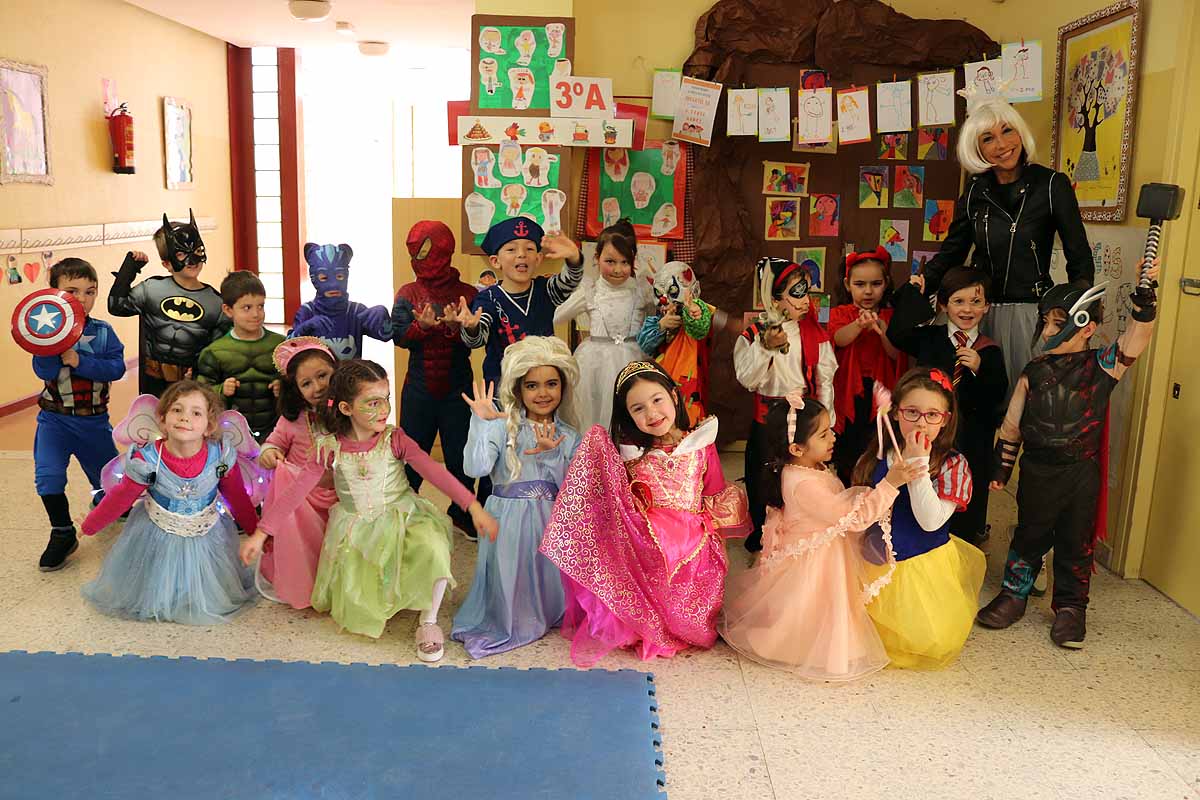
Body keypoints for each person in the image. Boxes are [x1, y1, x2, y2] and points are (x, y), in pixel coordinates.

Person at [256, 359, 498, 661]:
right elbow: (296, 492)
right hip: (356, 524)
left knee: (433, 548)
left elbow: (436, 474)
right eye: (372, 402)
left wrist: (472, 505)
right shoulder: (328, 446)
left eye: (386, 399)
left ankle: (429, 621)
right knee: (367, 580)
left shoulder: (394, 438)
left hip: (403, 513)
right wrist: (263, 531)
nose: (383, 409)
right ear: (346, 408)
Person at [977, 262, 1160, 648]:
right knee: (1029, 535)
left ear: (1086, 326)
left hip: (1080, 473)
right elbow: (1011, 426)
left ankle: (1071, 607)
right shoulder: (1033, 371)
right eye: (1046, 321)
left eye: (1056, 322)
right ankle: (1014, 594)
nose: (1046, 330)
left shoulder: (1102, 367)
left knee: (1076, 542)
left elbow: (1136, 340)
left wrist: (1146, 301)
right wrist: (1002, 466)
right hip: (1039, 470)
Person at [540, 361, 750, 667]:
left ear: (674, 398)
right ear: (628, 416)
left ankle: (679, 623)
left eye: (657, 400)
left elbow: (713, 493)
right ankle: (647, 622)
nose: (651, 414)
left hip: (693, 542)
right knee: (648, 555)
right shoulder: (629, 454)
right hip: (646, 544)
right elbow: (612, 500)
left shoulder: (701, 444)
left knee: (694, 577)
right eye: (638, 409)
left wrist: (716, 540)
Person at [720, 393, 920, 680]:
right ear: (797, 448)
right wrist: (890, 485)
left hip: (822, 546)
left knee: (820, 607)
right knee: (813, 605)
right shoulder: (803, 485)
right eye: (824, 434)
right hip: (815, 560)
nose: (833, 437)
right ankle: (800, 647)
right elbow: (854, 517)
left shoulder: (808, 467)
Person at [919, 95, 1093, 400]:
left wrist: (1079, 312)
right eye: (988, 138)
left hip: (1031, 315)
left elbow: (1078, 255)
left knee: (1026, 402)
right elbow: (953, 252)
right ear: (977, 147)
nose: (1001, 144)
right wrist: (919, 285)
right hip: (977, 312)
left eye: (1007, 131)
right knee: (972, 402)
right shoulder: (975, 190)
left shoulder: (1052, 185)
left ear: (1020, 133)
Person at [79, 381, 259, 624]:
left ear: (209, 426)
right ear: (162, 420)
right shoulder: (147, 459)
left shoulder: (220, 457)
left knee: (206, 582)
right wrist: (89, 526)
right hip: (156, 533)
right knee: (158, 577)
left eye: (196, 413)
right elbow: (122, 497)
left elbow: (237, 497)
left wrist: (258, 535)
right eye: (177, 410)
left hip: (206, 534)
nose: (185, 418)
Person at [452, 337, 582, 657]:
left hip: (549, 520)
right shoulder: (502, 427)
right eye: (532, 385)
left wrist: (554, 456)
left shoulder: (570, 435)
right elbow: (475, 466)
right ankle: (514, 615)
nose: (543, 393)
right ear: (518, 390)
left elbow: (575, 490)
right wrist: (481, 423)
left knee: (547, 572)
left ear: (563, 387)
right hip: (506, 518)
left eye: (551, 384)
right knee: (512, 569)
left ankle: (549, 609)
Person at [853, 368, 986, 669]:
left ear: (946, 419)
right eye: (912, 412)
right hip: (873, 563)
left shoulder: (953, 465)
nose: (921, 423)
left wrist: (918, 465)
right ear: (896, 413)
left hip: (920, 567)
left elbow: (930, 521)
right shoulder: (879, 454)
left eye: (932, 415)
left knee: (921, 639)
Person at [888, 269, 1008, 546]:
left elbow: (996, 398)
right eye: (958, 301)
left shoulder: (989, 351)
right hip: (930, 437)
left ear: (987, 306)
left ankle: (967, 546)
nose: (967, 309)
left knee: (967, 502)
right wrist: (912, 294)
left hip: (971, 441)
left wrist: (979, 369)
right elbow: (898, 333)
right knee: (925, 495)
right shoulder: (930, 338)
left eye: (976, 302)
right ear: (943, 304)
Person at [31, 258, 127, 571]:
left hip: (93, 421)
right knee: (48, 476)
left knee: (109, 482)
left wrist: (78, 360)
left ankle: (105, 501)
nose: (82, 299)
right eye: (72, 291)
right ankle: (62, 532)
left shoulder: (103, 332)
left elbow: (116, 368)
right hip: (54, 420)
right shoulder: (45, 333)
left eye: (90, 292)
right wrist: (55, 346)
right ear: (54, 294)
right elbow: (42, 370)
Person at [735, 256, 836, 551]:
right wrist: (766, 348)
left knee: (800, 476)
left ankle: (798, 529)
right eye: (797, 293)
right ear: (775, 298)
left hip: (804, 416)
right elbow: (748, 379)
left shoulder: (815, 335)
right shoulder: (753, 335)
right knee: (762, 476)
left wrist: (827, 421)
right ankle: (763, 532)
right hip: (767, 418)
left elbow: (825, 379)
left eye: (806, 291)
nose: (806, 300)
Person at [391, 220, 481, 539]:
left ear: (443, 248)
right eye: (415, 252)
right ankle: (401, 511)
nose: (421, 258)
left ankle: (461, 512)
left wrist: (462, 328)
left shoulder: (468, 294)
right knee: (411, 452)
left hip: (458, 388)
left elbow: (479, 337)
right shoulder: (407, 293)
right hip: (418, 387)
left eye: (426, 250)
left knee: (460, 455)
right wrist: (423, 328)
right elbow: (399, 335)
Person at [238, 337, 338, 609]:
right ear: (296, 390)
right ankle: (303, 581)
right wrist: (269, 454)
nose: (317, 387)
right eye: (306, 383)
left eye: (323, 376)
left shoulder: (348, 411)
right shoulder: (293, 419)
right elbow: (272, 443)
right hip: (300, 499)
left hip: (340, 493)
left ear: (336, 372)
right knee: (300, 534)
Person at [107, 212, 230, 395]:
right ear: (167, 263)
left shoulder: (215, 302)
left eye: (197, 251)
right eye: (181, 253)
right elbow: (116, 306)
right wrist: (128, 270)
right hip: (153, 381)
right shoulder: (151, 290)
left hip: (192, 384)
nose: (192, 259)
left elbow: (219, 351)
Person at [455, 217, 583, 388]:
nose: (522, 254)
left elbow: (570, 281)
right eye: (511, 249)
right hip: (502, 391)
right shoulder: (488, 299)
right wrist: (471, 327)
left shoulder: (546, 290)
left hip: (543, 388)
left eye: (529, 249)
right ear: (495, 261)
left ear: (538, 259)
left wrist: (574, 257)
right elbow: (476, 339)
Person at [553, 219, 654, 430]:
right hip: (594, 363)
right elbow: (557, 317)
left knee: (630, 414)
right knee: (593, 414)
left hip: (633, 359)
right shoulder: (591, 290)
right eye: (610, 261)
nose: (618, 269)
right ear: (597, 258)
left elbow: (654, 322)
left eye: (625, 262)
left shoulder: (641, 289)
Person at [828, 247, 904, 483]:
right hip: (849, 392)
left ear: (886, 283)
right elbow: (838, 339)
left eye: (876, 283)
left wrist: (882, 329)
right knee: (849, 446)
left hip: (882, 393)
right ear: (847, 284)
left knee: (878, 443)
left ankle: (876, 489)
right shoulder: (841, 312)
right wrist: (859, 325)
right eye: (860, 284)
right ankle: (847, 488)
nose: (868, 291)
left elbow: (895, 354)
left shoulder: (892, 316)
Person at [196, 271, 285, 442]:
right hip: (230, 434)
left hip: (275, 431)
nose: (256, 314)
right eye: (247, 308)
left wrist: (284, 388)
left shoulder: (281, 346)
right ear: (228, 310)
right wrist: (221, 389)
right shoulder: (214, 352)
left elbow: (299, 386)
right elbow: (200, 393)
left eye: (261, 306)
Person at [636, 260, 727, 425]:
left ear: (695, 290)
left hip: (689, 388)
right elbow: (644, 344)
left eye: (672, 291)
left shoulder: (698, 310)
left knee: (688, 425)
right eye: (658, 293)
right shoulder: (656, 319)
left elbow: (700, 328)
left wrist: (694, 313)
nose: (664, 299)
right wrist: (661, 326)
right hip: (660, 385)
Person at [289, 242, 393, 361]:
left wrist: (382, 317)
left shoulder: (355, 311)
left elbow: (385, 335)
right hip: (318, 378)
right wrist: (304, 327)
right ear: (314, 279)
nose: (333, 284)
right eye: (324, 278)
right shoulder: (307, 311)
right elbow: (288, 349)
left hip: (350, 378)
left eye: (339, 276)